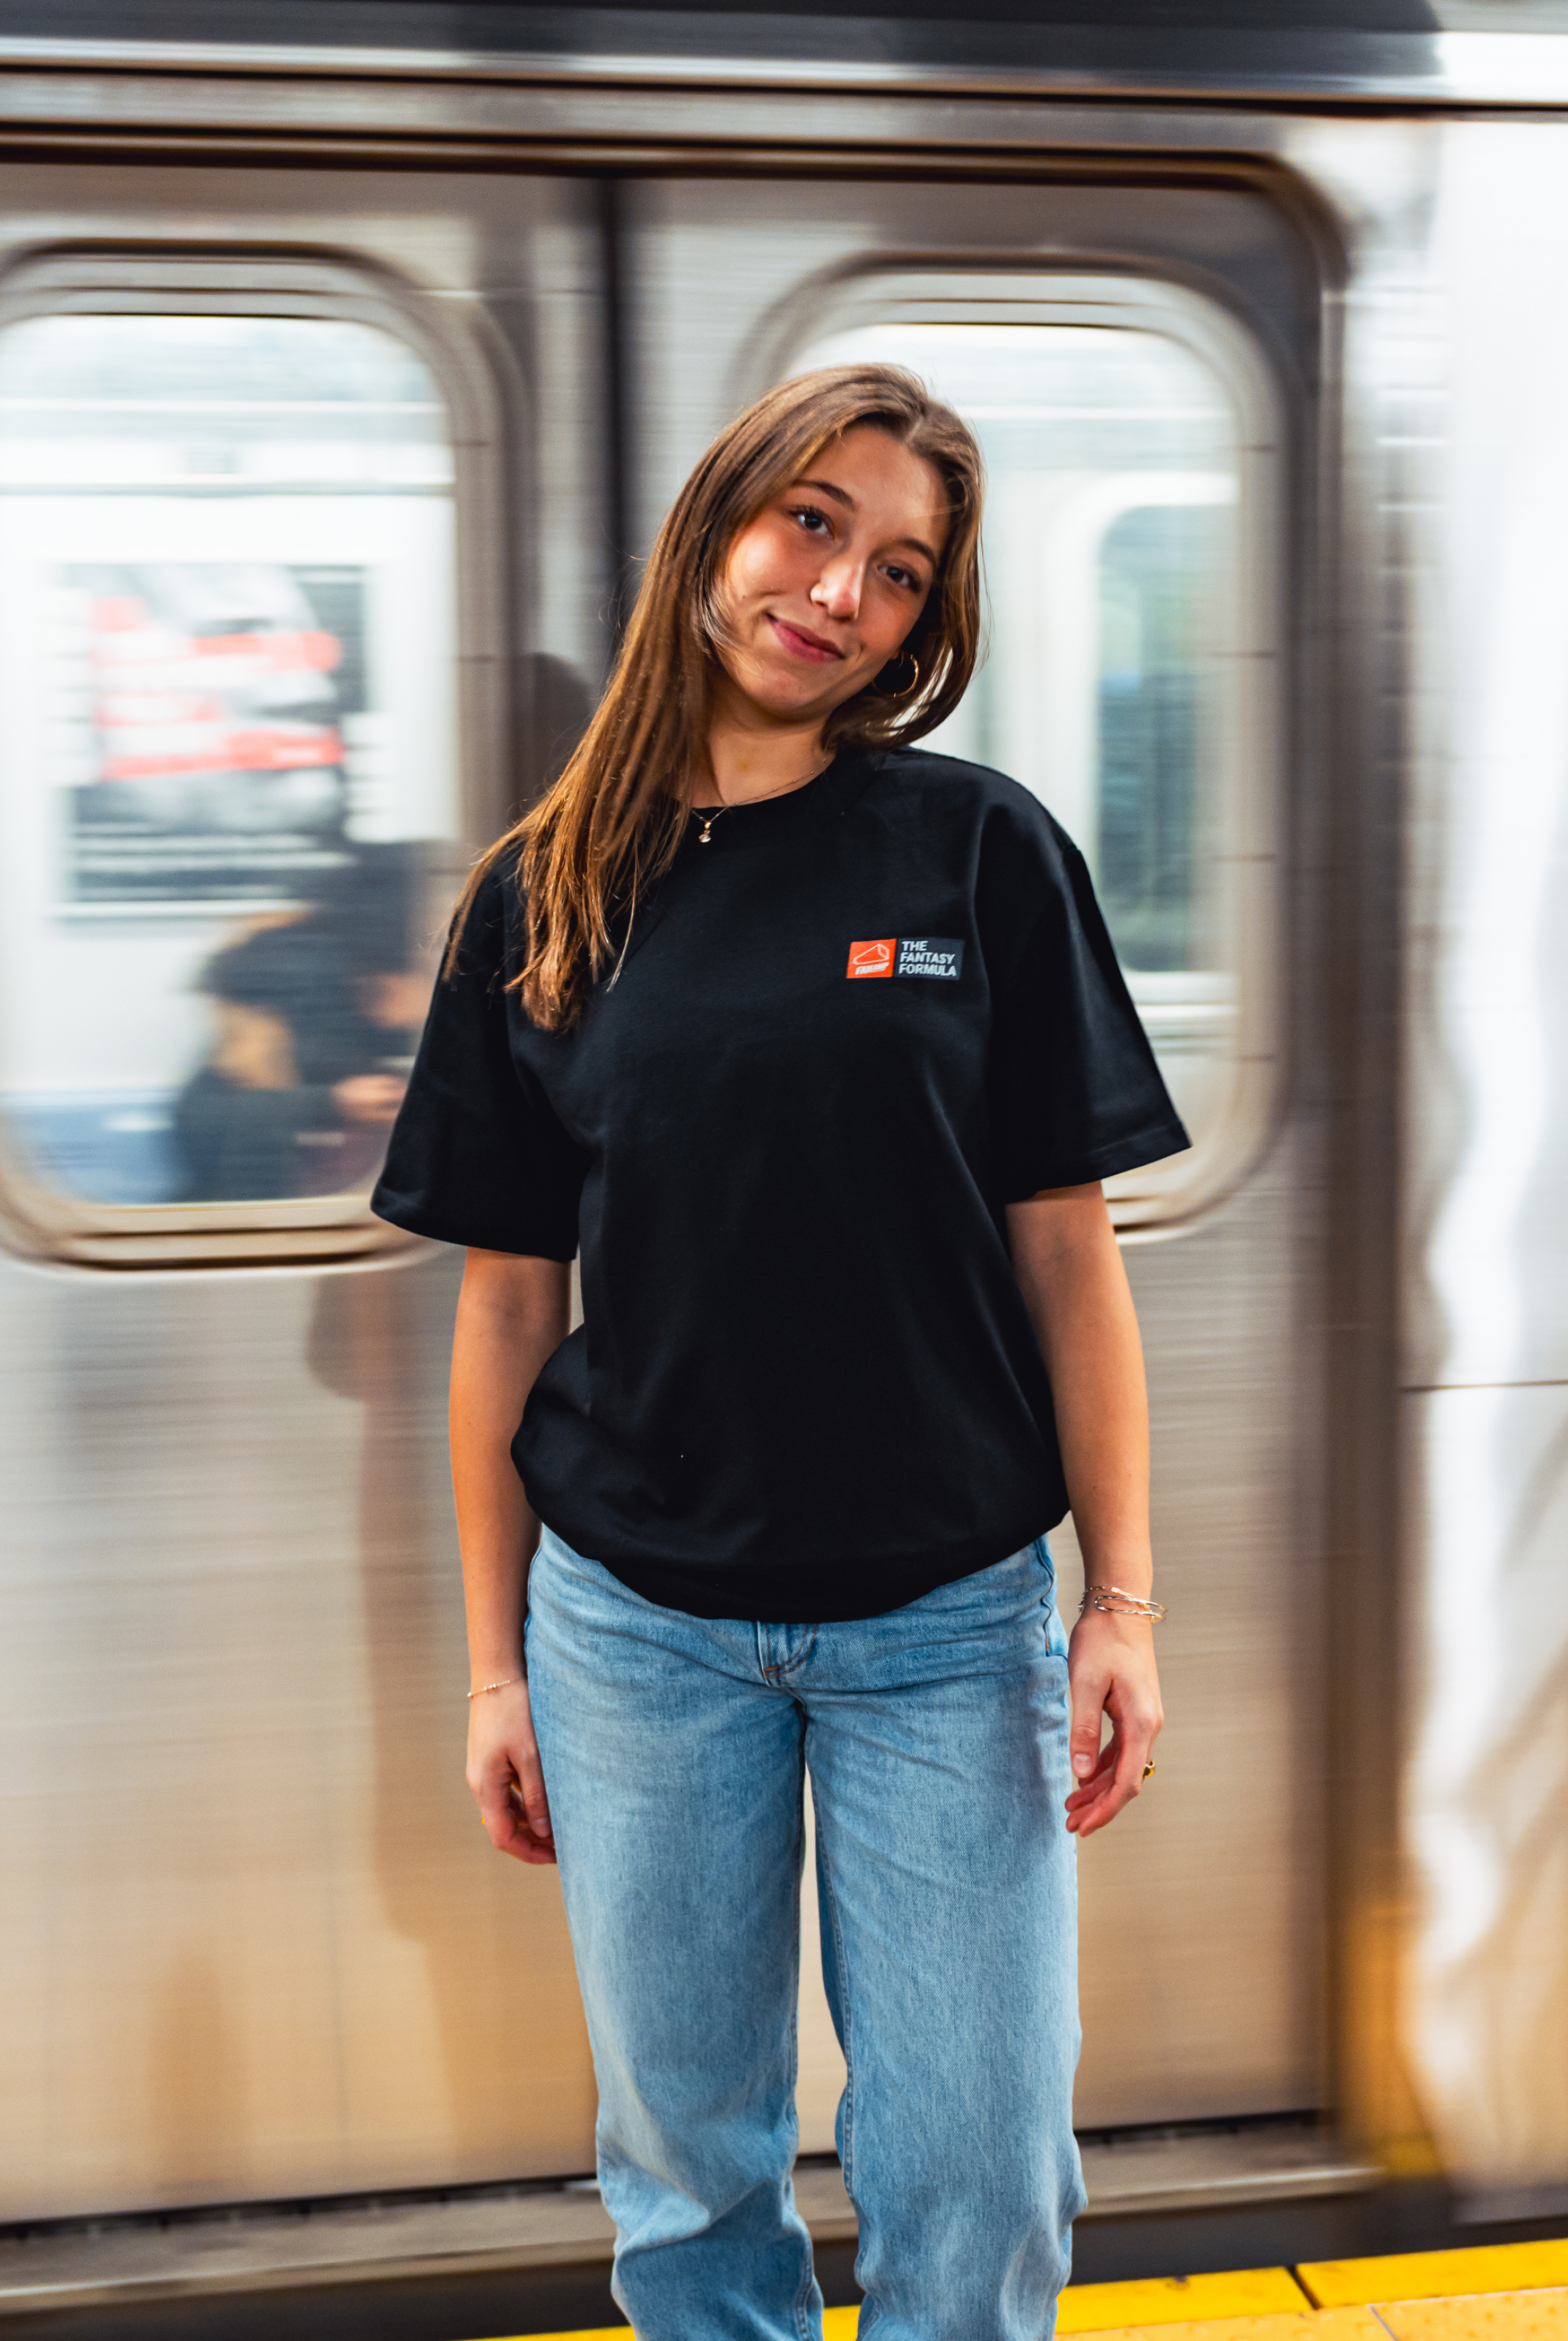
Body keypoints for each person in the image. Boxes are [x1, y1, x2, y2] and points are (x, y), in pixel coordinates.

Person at [371, 364, 1187, 2341]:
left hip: (944, 1613)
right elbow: (503, 1309)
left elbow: (1071, 1258)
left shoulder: (976, 853)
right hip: (636, 1630)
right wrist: (496, 1662)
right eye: (811, 523)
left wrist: (1126, 1600)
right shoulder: (540, 895)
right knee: (689, 2167)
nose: (841, 594)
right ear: (719, 524)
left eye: (901, 572)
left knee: (982, 2168)